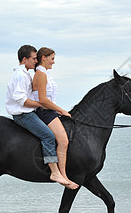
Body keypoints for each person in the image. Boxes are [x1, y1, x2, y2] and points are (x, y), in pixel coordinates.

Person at [5, 45, 77, 189]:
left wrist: (46, 105)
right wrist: (47, 106)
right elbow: (21, 98)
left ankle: (62, 174)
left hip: (30, 111)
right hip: (24, 114)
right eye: (33, 58)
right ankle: (54, 172)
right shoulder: (22, 75)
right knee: (48, 136)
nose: (35, 61)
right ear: (24, 59)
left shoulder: (27, 74)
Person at [32, 47, 78, 189]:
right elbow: (43, 100)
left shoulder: (45, 74)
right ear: (43, 58)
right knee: (63, 140)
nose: (54, 62)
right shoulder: (40, 74)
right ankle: (61, 175)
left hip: (50, 111)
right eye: (52, 58)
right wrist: (61, 110)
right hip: (45, 112)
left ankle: (63, 175)